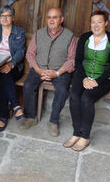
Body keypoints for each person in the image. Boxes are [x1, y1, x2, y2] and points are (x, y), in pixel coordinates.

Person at [63, 10, 110, 151]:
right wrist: (84, 78)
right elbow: (78, 61)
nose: (96, 25)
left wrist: (97, 81)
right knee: (74, 96)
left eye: (99, 22)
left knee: (87, 98)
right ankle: (76, 133)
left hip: (104, 78)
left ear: (106, 23)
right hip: (83, 75)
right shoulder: (84, 38)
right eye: (93, 22)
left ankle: (85, 137)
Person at [19, 8, 78, 137]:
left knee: (62, 90)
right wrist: (38, 69)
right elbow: (30, 54)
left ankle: (53, 121)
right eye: (49, 17)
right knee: (28, 85)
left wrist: (57, 73)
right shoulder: (39, 34)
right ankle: (30, 118)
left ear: (61, 19)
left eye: (55, 17)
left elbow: (72, 59)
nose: (51, 20)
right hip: (39, 68)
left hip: (60, 70)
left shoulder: (69, 36)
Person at [0, 5, 25, 131]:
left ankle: (3, 117)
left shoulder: (19, 32)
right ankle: (15, 106)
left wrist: (10, 64)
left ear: (12, 18)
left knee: (4, 75)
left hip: (14, 67)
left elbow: (20, 52)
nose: (4, 18)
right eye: (2, 16)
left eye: (7, 16)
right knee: (2, 74)